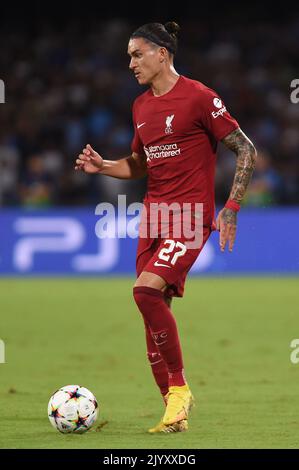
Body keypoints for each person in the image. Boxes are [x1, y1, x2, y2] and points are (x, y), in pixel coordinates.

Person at [75, 21, 257, 433]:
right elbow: (140, 163)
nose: (131, 63)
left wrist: (231, 206)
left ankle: (179, 388)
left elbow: (245, 148)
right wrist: (104, 165)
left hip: (189, 218)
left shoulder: (199, 97)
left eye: (137, 54)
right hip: (153, 217)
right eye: (128, 56)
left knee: (144, 291)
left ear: (163, 53)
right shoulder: (140, 107)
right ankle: (173, 412)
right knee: (153, 312)